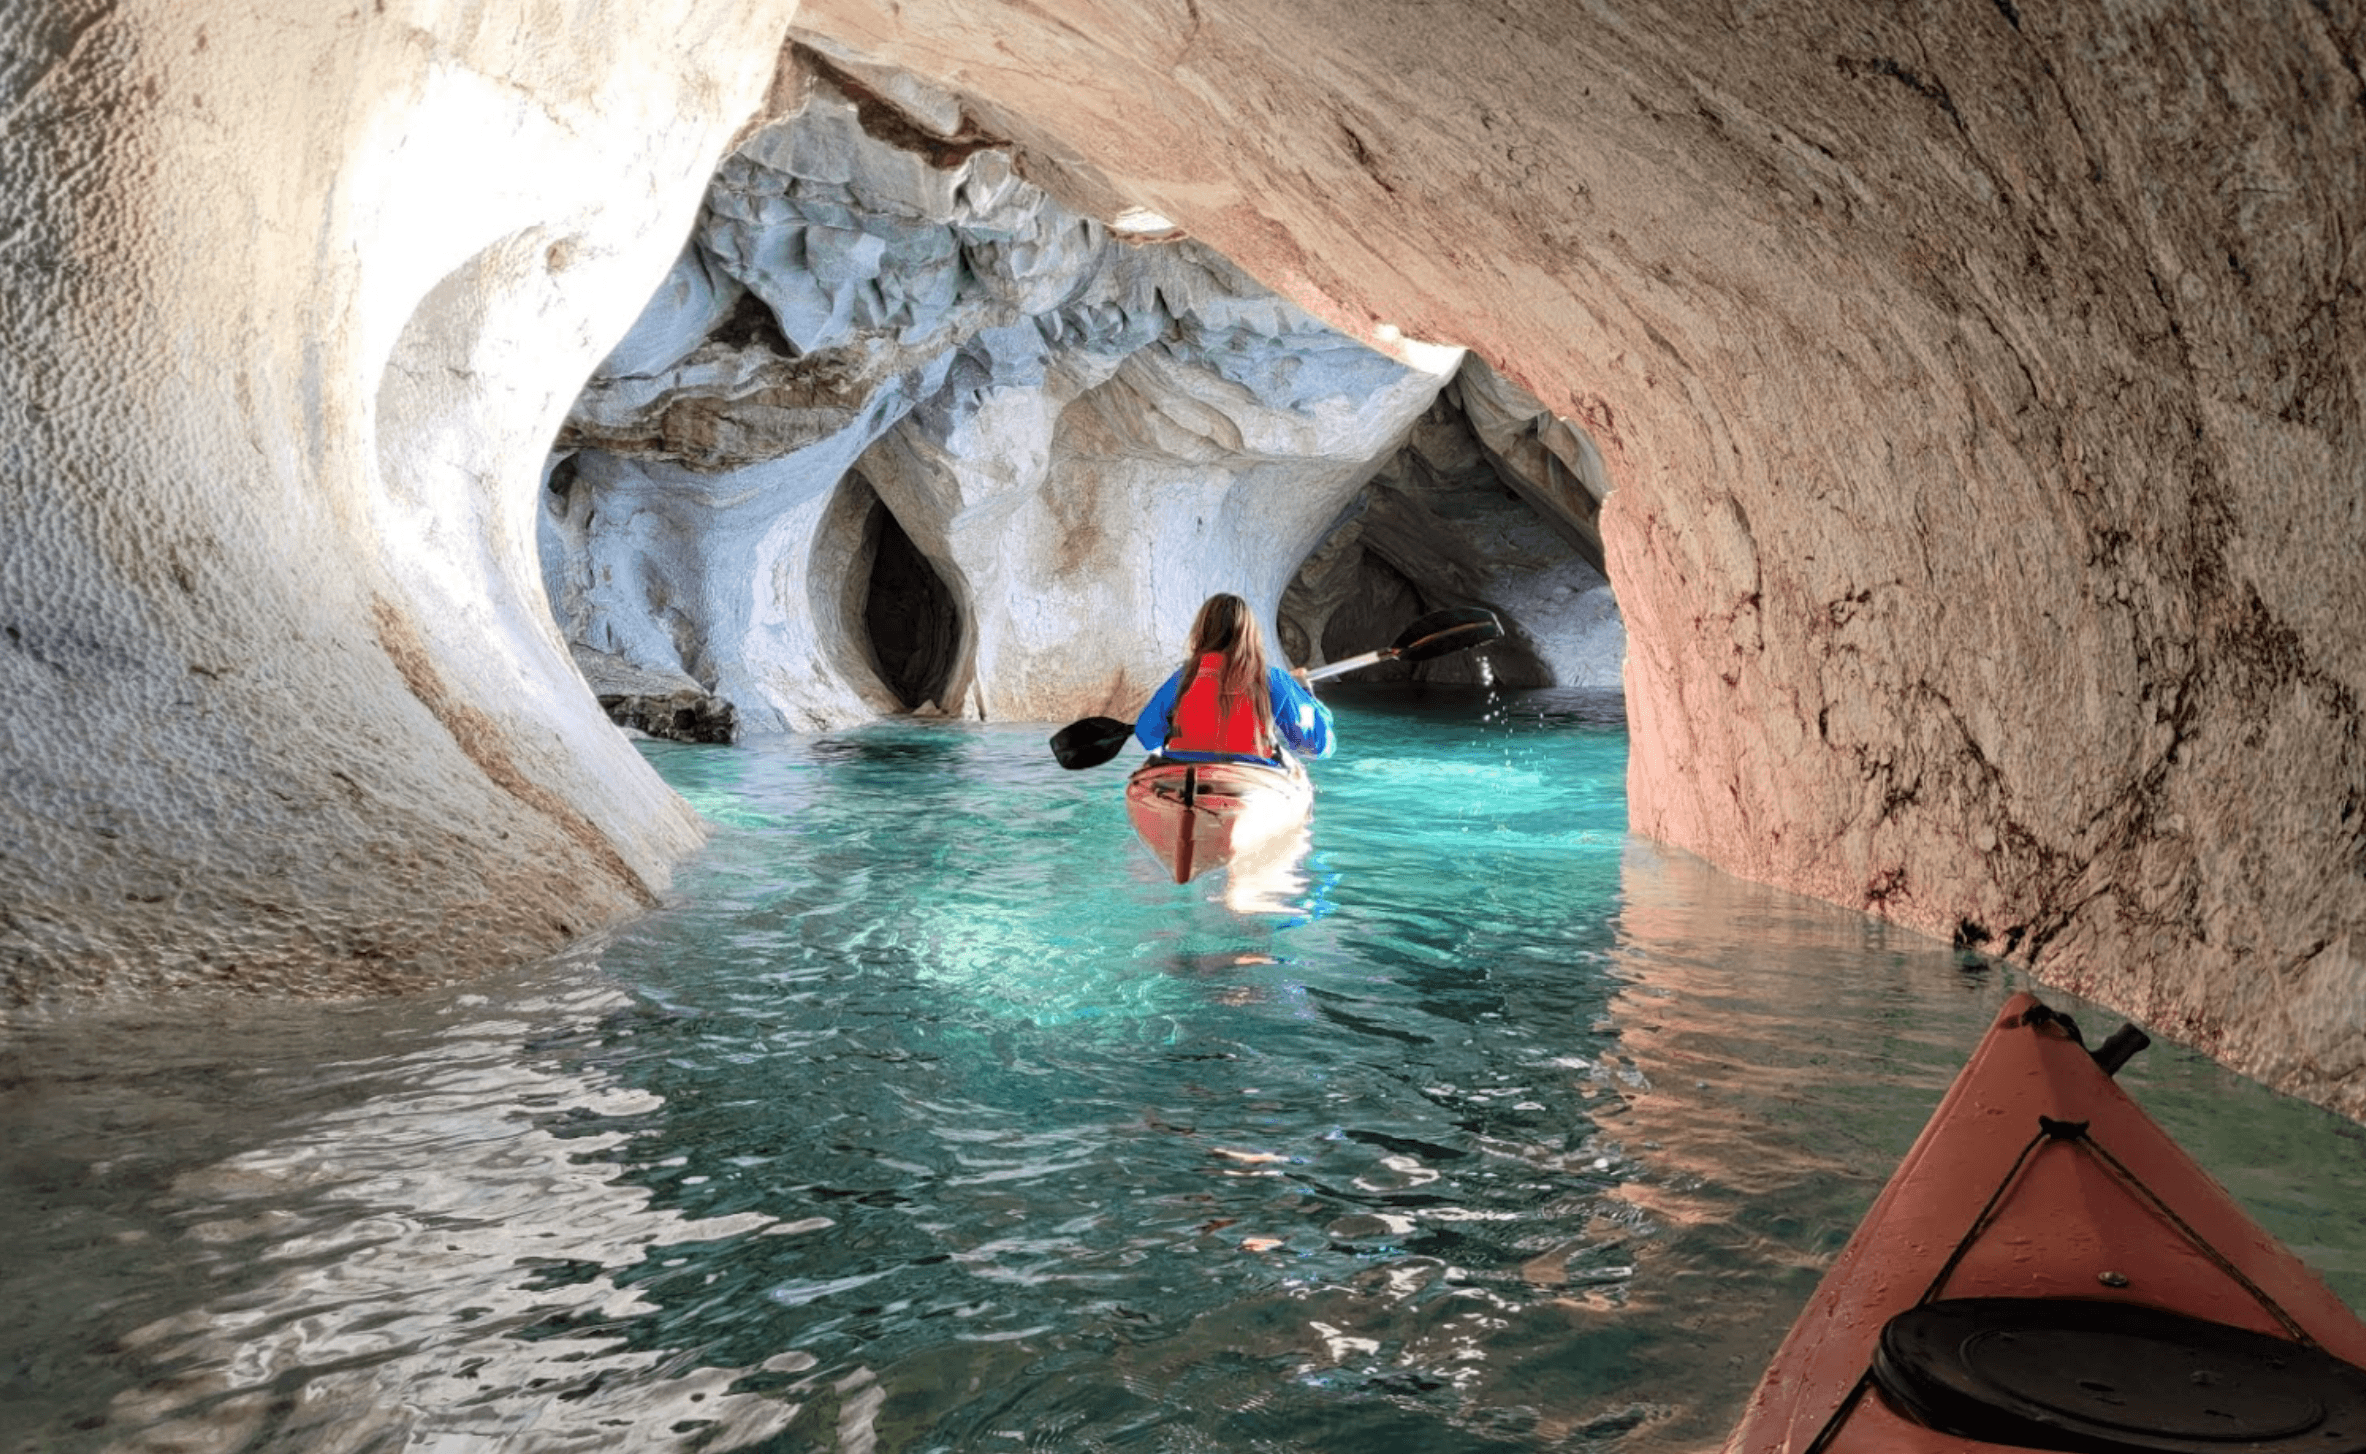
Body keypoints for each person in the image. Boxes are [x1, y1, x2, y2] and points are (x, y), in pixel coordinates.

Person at [1133, 593, 1334, 763]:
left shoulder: (1185, 677)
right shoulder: (1272, 679)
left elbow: (1145, 731)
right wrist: (1305, 692)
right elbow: (1315, 745)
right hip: (1248, 779)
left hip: (1186, 776)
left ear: (1202, 631)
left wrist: (1180, 740)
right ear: (1250, 635)